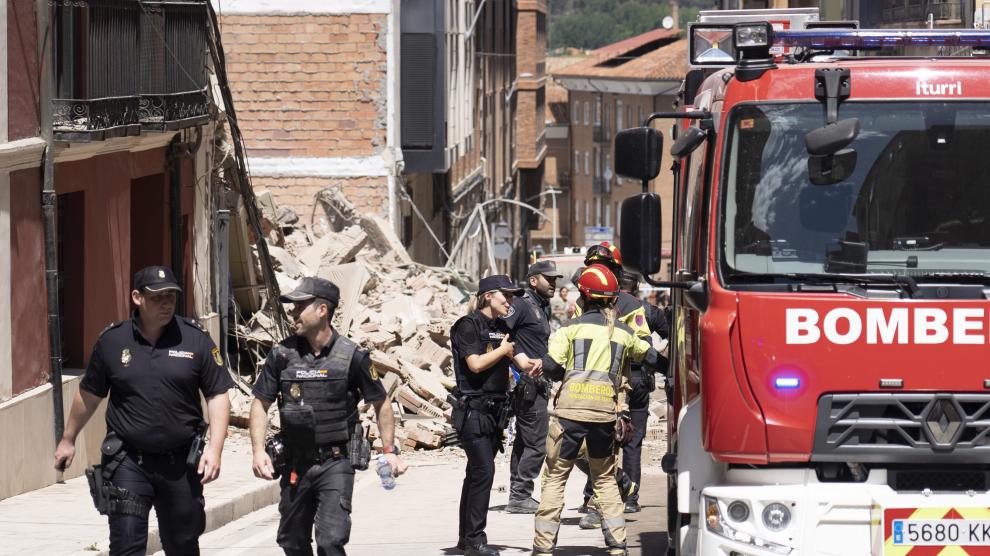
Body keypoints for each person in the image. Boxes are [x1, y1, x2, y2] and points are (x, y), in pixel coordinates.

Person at [53, 266, 233, 556]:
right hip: (128, 461)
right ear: (137, 297)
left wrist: (216, 448)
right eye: (157, 297)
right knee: (126, 545)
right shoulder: (113, 341)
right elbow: (89, 395)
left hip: (181, 464)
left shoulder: (194, 338)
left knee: (183, 544)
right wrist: (68, 439)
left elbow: (217, 393)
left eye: (171, 297)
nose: (166, 303)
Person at [249, 276, 407, 556]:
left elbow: (381, 402)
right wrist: (258, 450)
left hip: (335, 462)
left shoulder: (352, 356)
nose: (292, 313)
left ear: (322, 310)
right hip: (295, 463)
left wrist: (389, 450)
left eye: (300, 306)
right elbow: (261, 402)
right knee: (291, 541)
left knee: (330, 541)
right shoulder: (282, 354)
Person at [531, 264, 663, 556]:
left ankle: (542, 548)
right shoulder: (624, 333)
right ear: (612, 299)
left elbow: (551, 368)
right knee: (604, 478)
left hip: (569, 416)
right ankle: (617, 546)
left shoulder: (568, 330)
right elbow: (652, 356)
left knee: (555, 477)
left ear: (583, 295)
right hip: (604, 416)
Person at [450, 275, 527, 556]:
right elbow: (476, 364)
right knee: (484, 471)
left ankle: (465, 537)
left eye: (512, 296)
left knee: (475, 474)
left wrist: (534, 364)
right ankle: (476, 540)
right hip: (473, 411)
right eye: (505, 296)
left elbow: (516, 357)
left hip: (495, 413)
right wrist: (504, 351)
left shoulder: (502, 327)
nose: (510, 301)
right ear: (487, 297)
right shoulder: (467, 326)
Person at [502, 260, 563, 514]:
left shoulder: (541, 306)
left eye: (555, 279)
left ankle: (518, 493)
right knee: (537, 442)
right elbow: (501, 334)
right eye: (549, 279)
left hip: (537, 383)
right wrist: (518, 363)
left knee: (525, 441)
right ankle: (520, 495)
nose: (554, 284)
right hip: (526, 383)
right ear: (534, 280)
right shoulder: (522, 304)